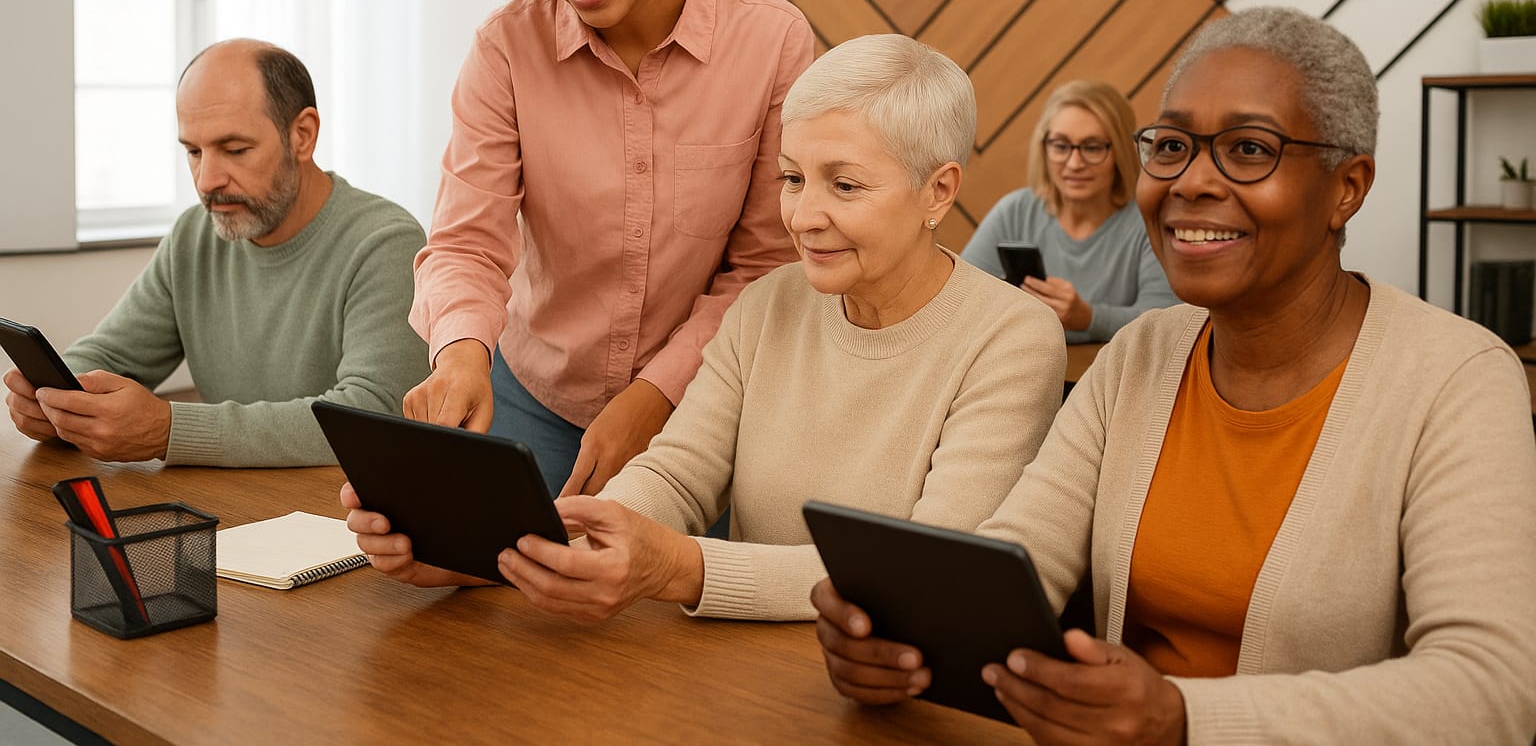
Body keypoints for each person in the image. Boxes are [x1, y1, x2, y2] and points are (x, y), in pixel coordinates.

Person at [811, 8, 1536, 743]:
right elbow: (1017, 558)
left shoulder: (1459, 380)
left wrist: (1186, 721)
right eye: (1174, 146)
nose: (1191, 181)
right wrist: (900, 634)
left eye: (1249, 149)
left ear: (1347, 186)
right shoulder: (1142, 356)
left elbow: (1493, 687)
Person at [346, 34, 1067, 622]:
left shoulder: (1013, 337)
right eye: (792, 178)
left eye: (844, 185)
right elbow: (676, 473)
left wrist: (684, 567)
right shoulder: (768, 304)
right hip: (735, 673)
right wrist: (512, 548)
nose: (803, 216)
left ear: (938, 191)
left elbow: (928, 569)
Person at [406, 0, 813, 498]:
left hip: (702, 405)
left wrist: (654, 395)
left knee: (663, 601)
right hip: (530, 394)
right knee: (473, 591)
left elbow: (765, 269)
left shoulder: (773, 40)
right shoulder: (506, 48)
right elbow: (467, 243)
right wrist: (462, 356)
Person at [2, 39, 429, 467]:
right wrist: (56, 403)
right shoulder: (194, 235)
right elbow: (109, 356)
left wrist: (170, 430)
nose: (207, 180)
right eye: (193, 151)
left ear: (303, 135)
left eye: (235, 150)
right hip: (231, 507)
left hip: (345, 516)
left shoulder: (386, 243)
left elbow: (373, 415)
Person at [962, 79, 1177, 343]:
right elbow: (959, 299)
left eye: (1092, 147)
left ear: (1119, 151)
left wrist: (1089, 318)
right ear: (1044, 148)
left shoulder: (1148, 220)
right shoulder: (1016, 211)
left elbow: (1167, 325)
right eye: (1061, 146)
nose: (1074, 163)